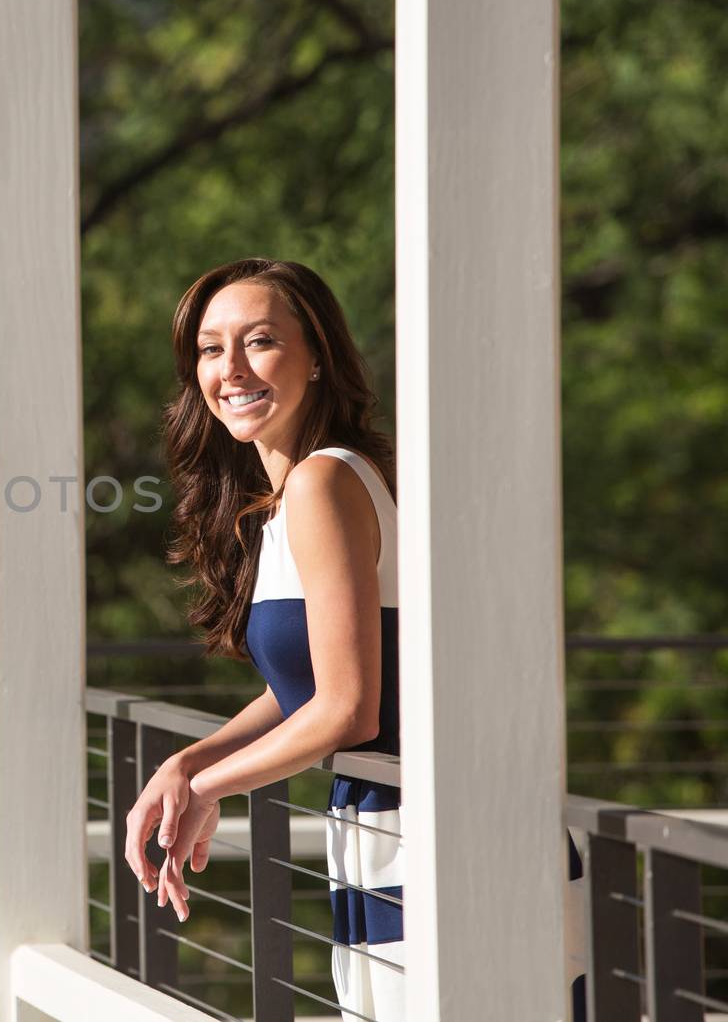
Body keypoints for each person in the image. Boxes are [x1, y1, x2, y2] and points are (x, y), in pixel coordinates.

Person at [121, 258, 587, 1022]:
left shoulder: (323, 484)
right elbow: (305, 688)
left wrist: (208, 789)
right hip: (401, 820)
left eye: (260, 341)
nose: (230, 369)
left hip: (439, 833)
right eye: (210, 349)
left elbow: (348, 710)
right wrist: (189, 760)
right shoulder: (307, 489)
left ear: (318, 358)